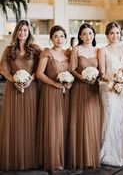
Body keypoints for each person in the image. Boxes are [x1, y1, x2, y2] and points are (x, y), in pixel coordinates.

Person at [0, 20, 40, 170]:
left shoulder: (35, 49)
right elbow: (3, 69)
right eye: (20, 30)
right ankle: (14, 157)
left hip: (31, 89)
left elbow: (40, 69)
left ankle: (31, 157)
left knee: (30, 121)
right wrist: (14, 80)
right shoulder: (9, 50)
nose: (22, 33)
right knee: (15, 122)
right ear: (16, 32)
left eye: (25, 30)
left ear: (29, 31)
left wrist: (30, 79)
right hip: (13, 89)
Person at [98, 22, 123, 166]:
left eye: (117, 33)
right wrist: (115, 80)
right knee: (111, 117)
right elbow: (102, 72)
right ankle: (108, 151)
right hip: (109, 89)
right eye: (112, 33)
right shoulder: (103, 50)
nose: (115, 36)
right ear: (107, 35)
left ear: (121, 34)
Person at [36, 25, 71, 170]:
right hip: (50, 93)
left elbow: (72, 72)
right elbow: (39, 74)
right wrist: (55, 84)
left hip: (66, 93)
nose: (59, 39)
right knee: (52, 125)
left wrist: (69, 83)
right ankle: (53, 159)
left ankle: (63, 157)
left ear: (65, 38)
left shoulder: (68, 54)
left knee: (63, 124)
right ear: (51, 38)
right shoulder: (46, 53)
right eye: (56, 36)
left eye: (62, 36)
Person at [69, 23, 102, 169]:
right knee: (80, 119)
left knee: (92, 120)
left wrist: (96, 78)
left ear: (94, 35)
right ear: (80, 36)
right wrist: (83, 78)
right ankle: (79, 155)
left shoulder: (98, 50)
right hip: (80, 87)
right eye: (84, 34)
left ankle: (91, 155)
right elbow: (71, 69)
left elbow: (102, 70)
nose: (87, 36)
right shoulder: (76, 49)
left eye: (90, 33)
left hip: (94, 89)